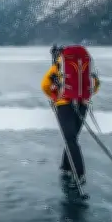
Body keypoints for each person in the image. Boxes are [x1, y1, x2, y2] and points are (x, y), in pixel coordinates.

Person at [40, 44, 100, 187]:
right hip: (83, 104)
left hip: (64, 104)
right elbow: (95, 83)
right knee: (72, 137)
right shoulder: (86, 61)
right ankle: (66, 166)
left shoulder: (59, 64)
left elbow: (44, 85)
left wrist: (55, 96)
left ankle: (79, 174)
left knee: (70, 138)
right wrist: (85, 96)